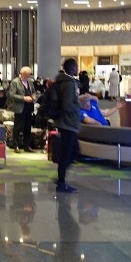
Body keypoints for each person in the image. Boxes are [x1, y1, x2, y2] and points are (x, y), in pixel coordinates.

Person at [54, 58, 81, 193]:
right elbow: (67, 105)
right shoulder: (69, 84)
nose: (78, 69)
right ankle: (61, 180)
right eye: (76, 66)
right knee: (70, 152)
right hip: (68, 123)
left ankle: (61, 177)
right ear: (71, 68)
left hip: (65, 122)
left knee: (70, 151)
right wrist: (79, 104)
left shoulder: (63, 82)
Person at [8, 66, 35, 153]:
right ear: (22, 74)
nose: (29, 76)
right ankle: (16, 145)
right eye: (27, 74)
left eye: (29, 74)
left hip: (29, 107)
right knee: (17, 127)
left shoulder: (30, 82)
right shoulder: (15, 82)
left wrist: (33, 97)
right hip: (19, 108)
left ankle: (27, 145)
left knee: (28, 127)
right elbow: (11, 95)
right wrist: (23, 98)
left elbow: (33, 92)